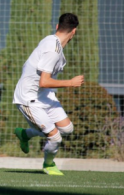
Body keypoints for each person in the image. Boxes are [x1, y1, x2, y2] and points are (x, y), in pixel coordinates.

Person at [13, 13, 84, 176]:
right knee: (55, 138)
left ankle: (25, 133)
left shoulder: (52, 41)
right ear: (74, 32)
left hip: (44, 95)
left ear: (57, 26)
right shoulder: (53, 50)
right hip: (28, 99)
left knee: (67, 129)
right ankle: (49, 164)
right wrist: (70, 83)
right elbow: (43, 81)